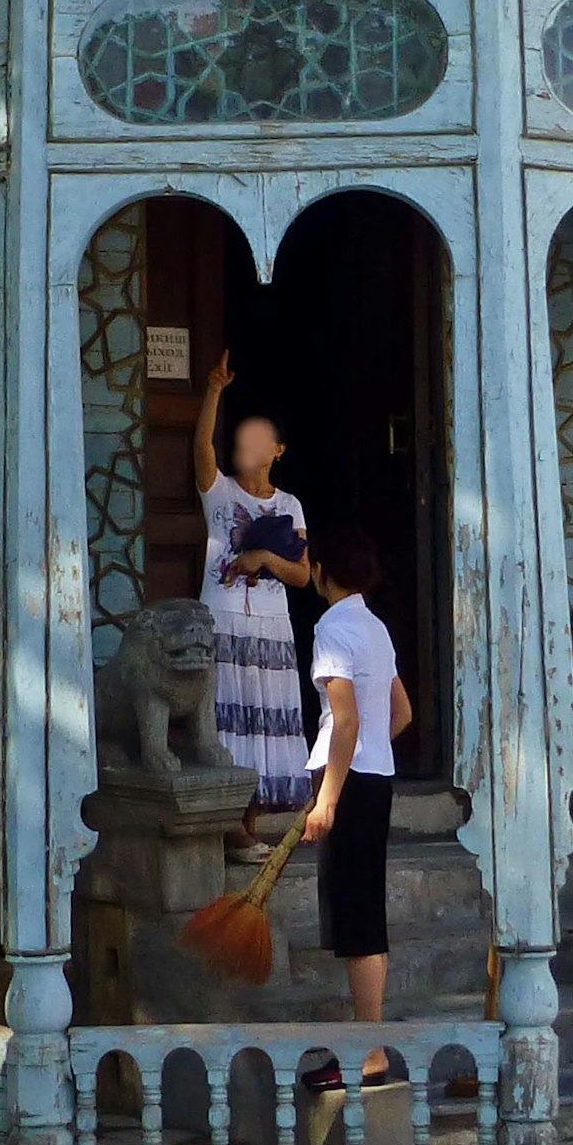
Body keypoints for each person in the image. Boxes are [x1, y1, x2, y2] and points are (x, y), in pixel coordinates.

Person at [191, 352, 311, 861]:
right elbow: (200, 446)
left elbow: (303, 573)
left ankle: (249, 824)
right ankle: (229, 827)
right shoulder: (219, 494)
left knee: (262, 719)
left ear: (278, 450)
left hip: (269, 628)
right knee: (227, 721)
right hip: (223, 619)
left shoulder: (289, 506)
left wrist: (264, 555)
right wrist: (214, 391)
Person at [298, 520, 410, 1035]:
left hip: (348, 779)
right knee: (365, 912)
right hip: (375, 777)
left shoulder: (332, 629)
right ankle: (372, 1038)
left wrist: (327, 800)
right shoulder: (375, 627)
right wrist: (372, 751)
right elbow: (401, 714)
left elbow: (345, 721)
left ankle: (372, 1045)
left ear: (320, 573)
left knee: (358, 920)